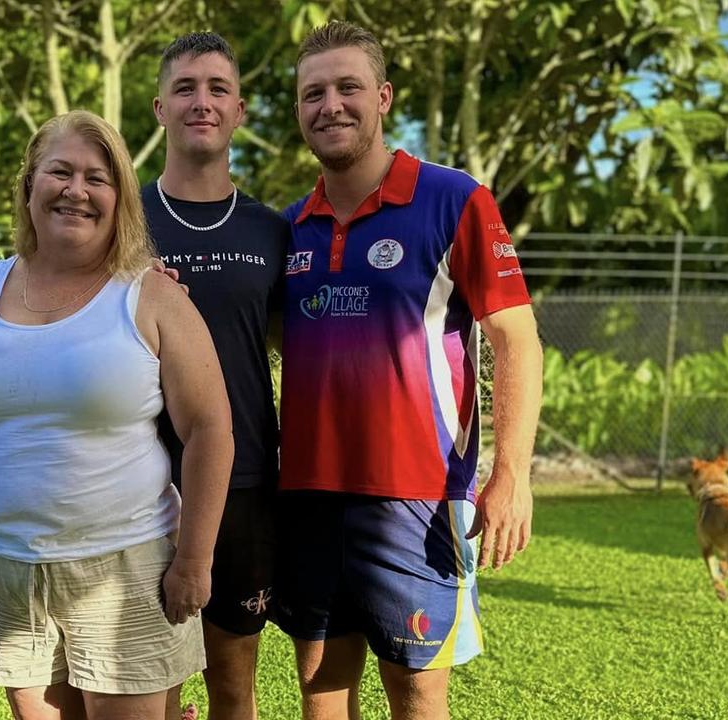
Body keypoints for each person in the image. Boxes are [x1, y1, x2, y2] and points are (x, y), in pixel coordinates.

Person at [274, 21, 543, 720]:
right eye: (312, 93)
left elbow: (516, 339)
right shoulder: (289, 227)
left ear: (384, 96)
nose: (329, 105)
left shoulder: (453, 199)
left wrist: (510, 474)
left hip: (418, 497)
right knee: (321, 692)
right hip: (306, 493)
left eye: (347, 87)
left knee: (418, 697)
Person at [0, 110, 234, 720]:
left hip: (127, 569)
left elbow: (210, 430)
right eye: (60, 172)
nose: (77, 191)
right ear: (29, 186)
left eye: (98, 179)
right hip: (10, 573)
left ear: (120, 197)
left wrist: (195, 562)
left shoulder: (150, 294)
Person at [141, 32, 288, 720]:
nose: (202, 101)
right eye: (186, 88)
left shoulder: (271, 230)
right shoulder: (120, 221)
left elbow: (297, 344)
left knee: (234, 685)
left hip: (246, 481)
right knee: (145, 686)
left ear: (241, 111)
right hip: (134, 482)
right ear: (159, 108)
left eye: (218, 89)